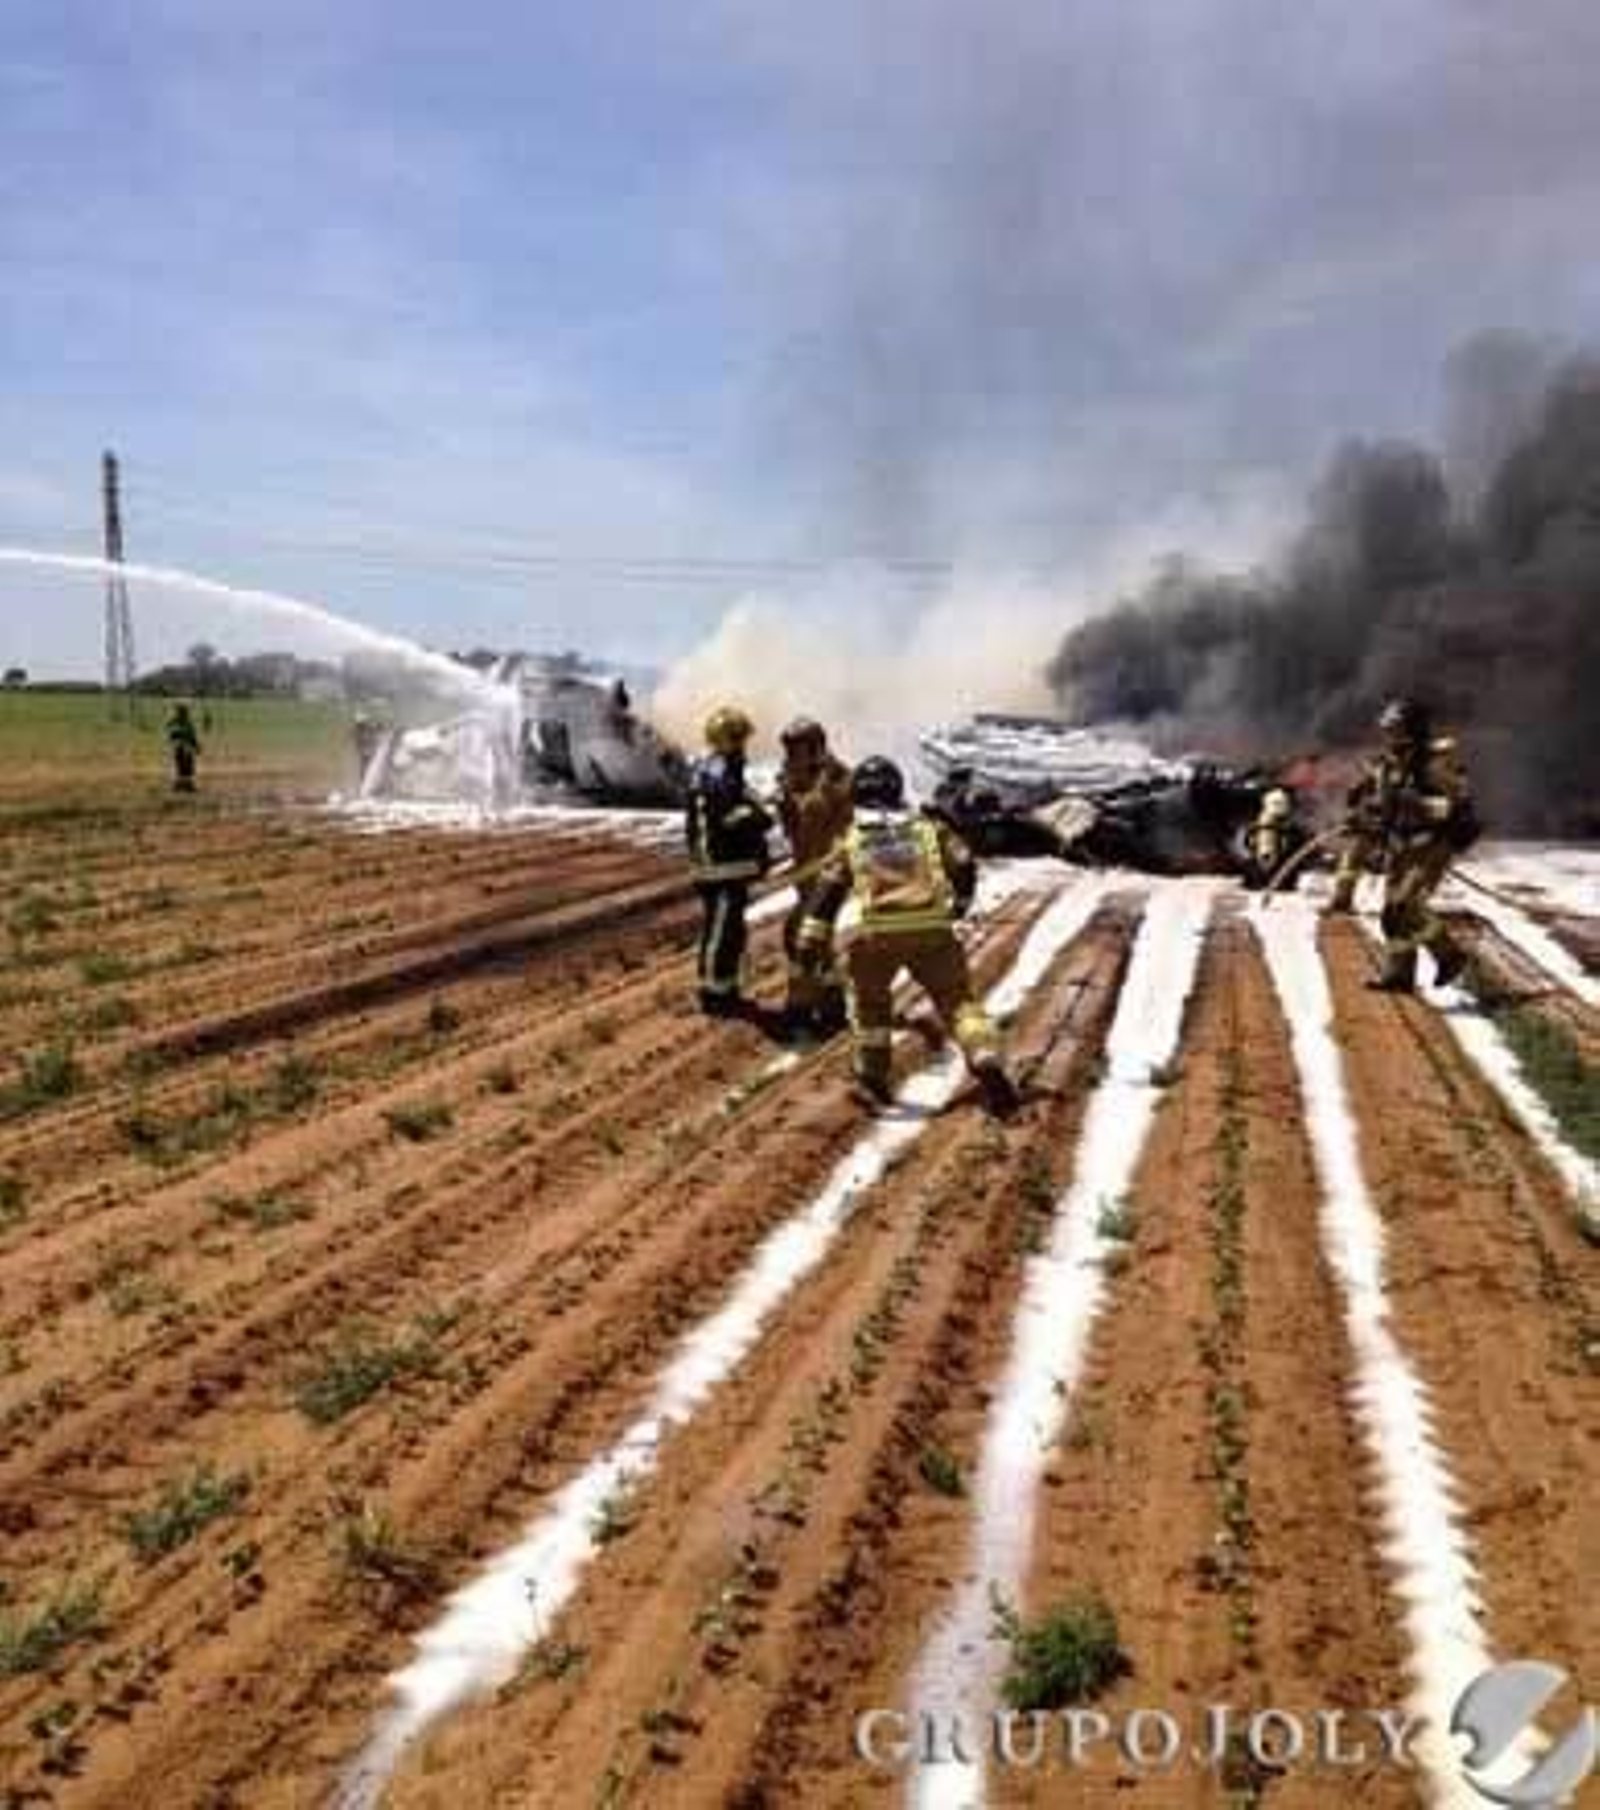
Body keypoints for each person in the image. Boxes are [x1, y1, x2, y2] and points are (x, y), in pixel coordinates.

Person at [796, 756, 1016, 1114]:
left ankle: (872, 1075)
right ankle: (982, 1052)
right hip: (932, 930)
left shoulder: (854, 838)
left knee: (870, 1005)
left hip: (879, 935)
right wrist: (960, 903)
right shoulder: (930, 829)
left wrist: (810, 940)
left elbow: (829, 892)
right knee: (957, 1000)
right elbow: (963, 862)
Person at [1351, 697, 1480, 992]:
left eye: (1395, 728)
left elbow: (1456, 807)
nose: (1389, 735)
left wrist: (1418, 804)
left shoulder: (1435, 762)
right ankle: (1399, 974)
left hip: (1431, 846)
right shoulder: (1391, 763)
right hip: (1401, 847)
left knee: (1407, 906)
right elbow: (1384, 805)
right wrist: (1365, 816)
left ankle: (1449, 955)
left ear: (1412, 729)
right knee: (1392, 914)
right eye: (1388, 729)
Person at [686, 705, 773, 1015]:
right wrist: (759, 816)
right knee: (722, 930)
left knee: (730, 928)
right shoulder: (718, 772)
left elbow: (739, 800)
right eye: (739, 739)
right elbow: (730, 817)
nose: (743, 747)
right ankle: (714, 993)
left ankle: (725, 985)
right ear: (726, 740)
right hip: (720, 867)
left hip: (722, 865)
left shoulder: (715, 768)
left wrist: (756, 806)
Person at [774, 717, 854, 1035]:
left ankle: (807, 1009)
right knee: (806, 938)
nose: (791, 756)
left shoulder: (838, 778)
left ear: (816, 748)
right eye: (789, 750)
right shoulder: (793, 779)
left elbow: (846, 824)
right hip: (806, 874)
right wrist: (785, 804)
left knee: (804, 935)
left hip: (829, 873)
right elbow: (794, 829)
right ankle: (827, 1001)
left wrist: (837, 866)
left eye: (798, 749)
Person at [167, 702, 201, 794]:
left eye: (184, 712)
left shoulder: (188, 723)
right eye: (183, 711)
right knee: (181, 767)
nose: (185, 714)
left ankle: (187, 785)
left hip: (186, 748)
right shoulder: (175, 722)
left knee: (187, 767)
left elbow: (192, 737)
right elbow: (172, 734)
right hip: (180, 747)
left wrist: (196, 746)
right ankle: (180, 785)